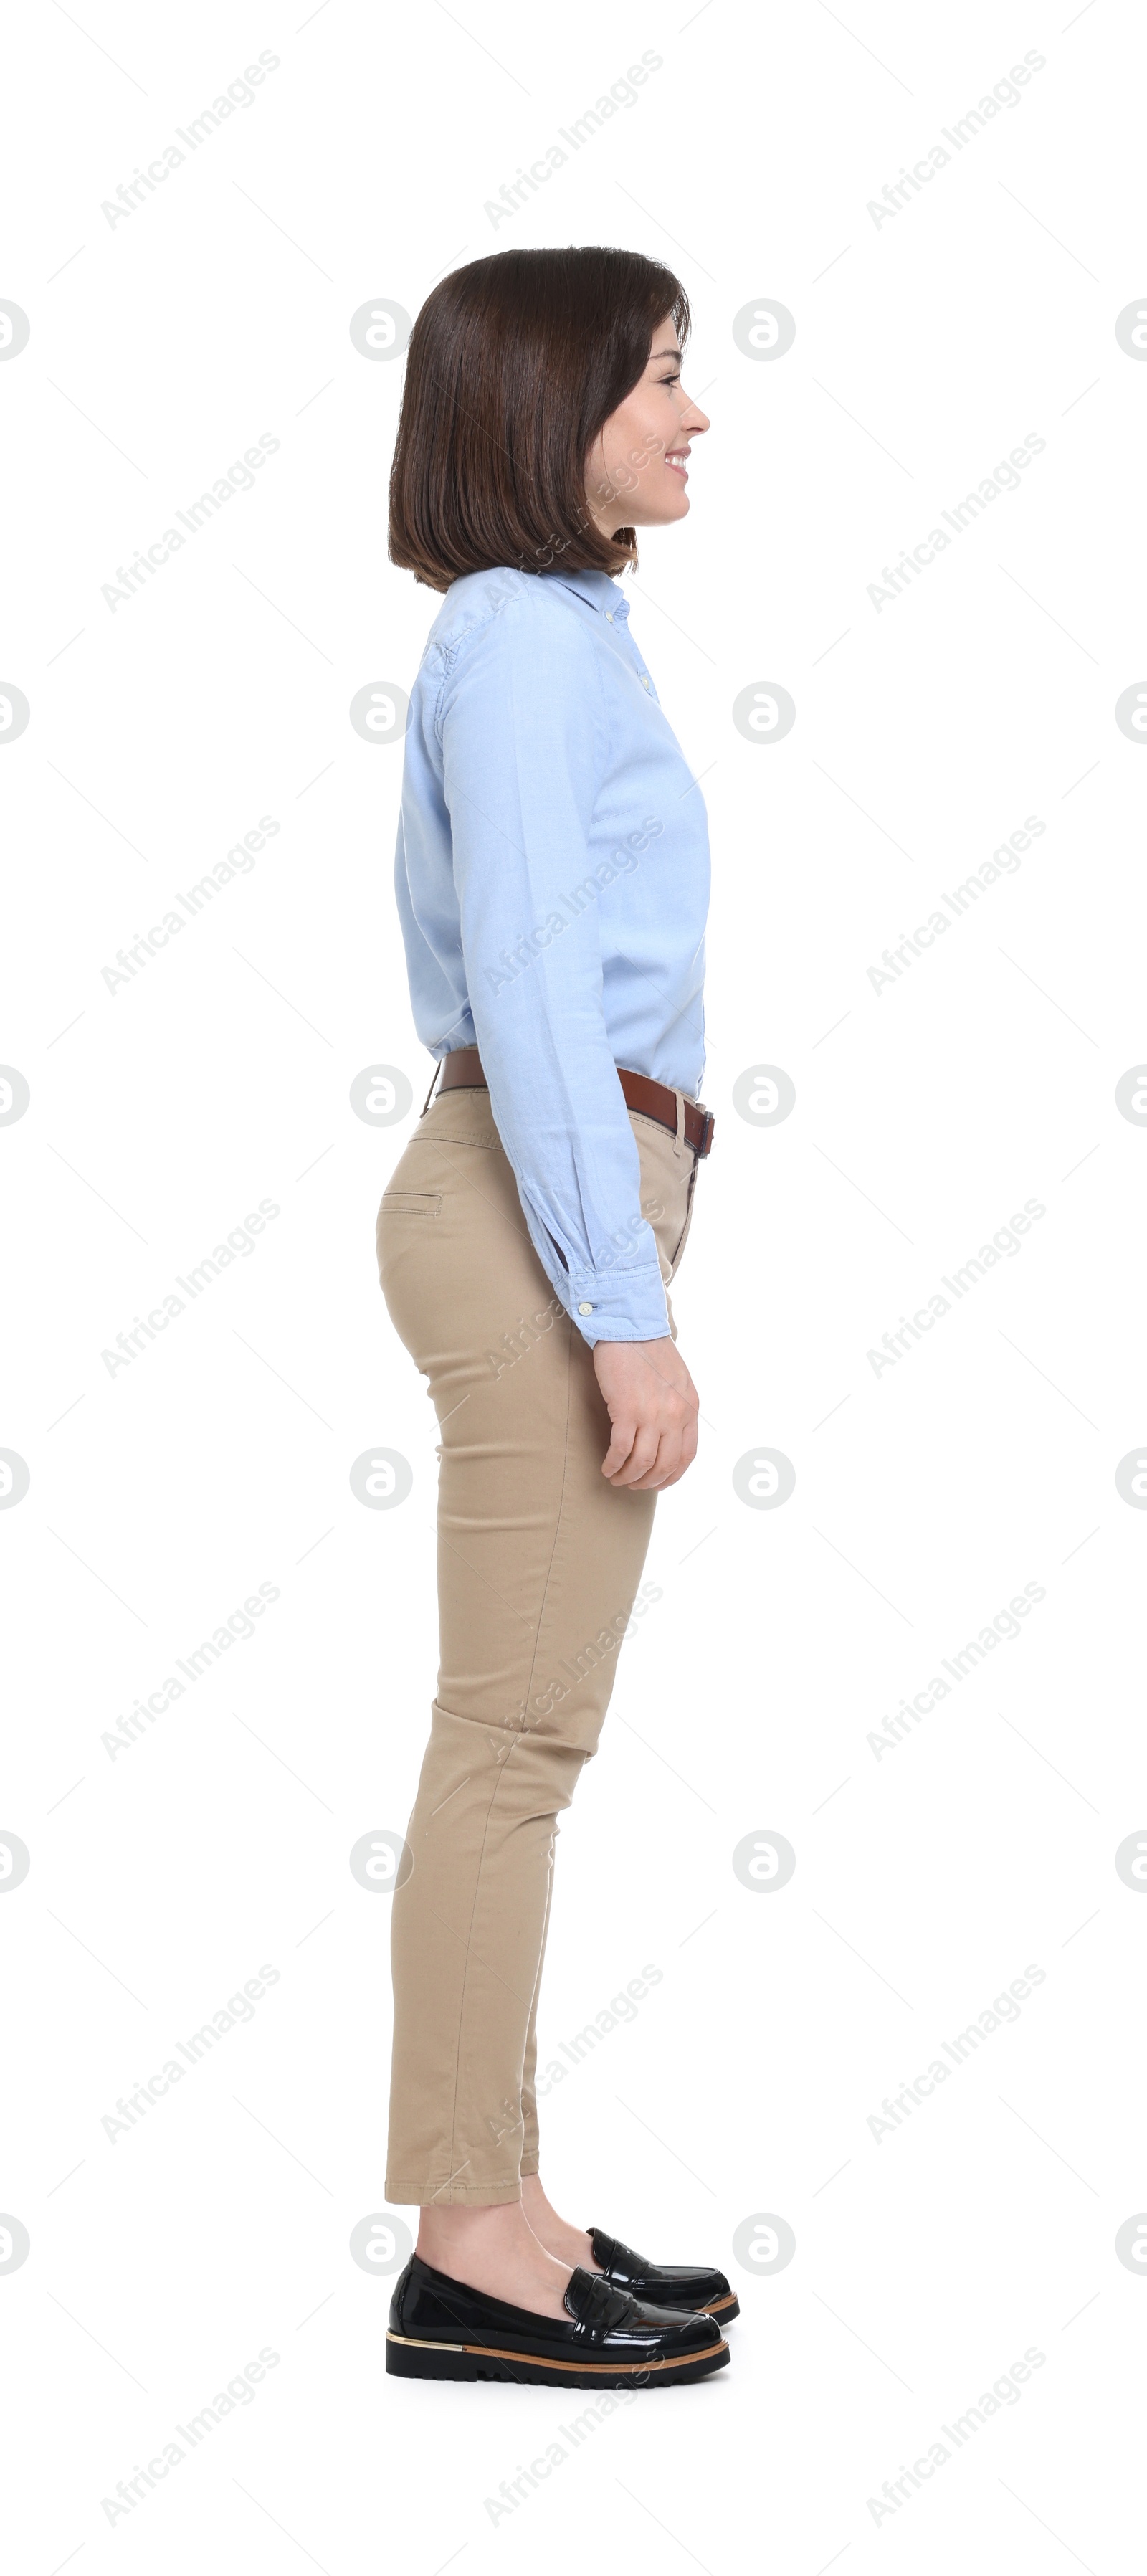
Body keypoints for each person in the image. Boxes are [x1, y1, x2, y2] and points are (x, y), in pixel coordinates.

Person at [376, 246, 733, 2389]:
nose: (698, 417)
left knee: (525, 1735)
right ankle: (462, 2243)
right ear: (552, 404)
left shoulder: (563, 632)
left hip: (561, 1187)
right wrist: (623, 1311)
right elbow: (526, 979)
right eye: (664, 377)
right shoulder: (517, 643)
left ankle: (511, 2201)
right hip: (539, 1198)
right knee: (508, 1741)